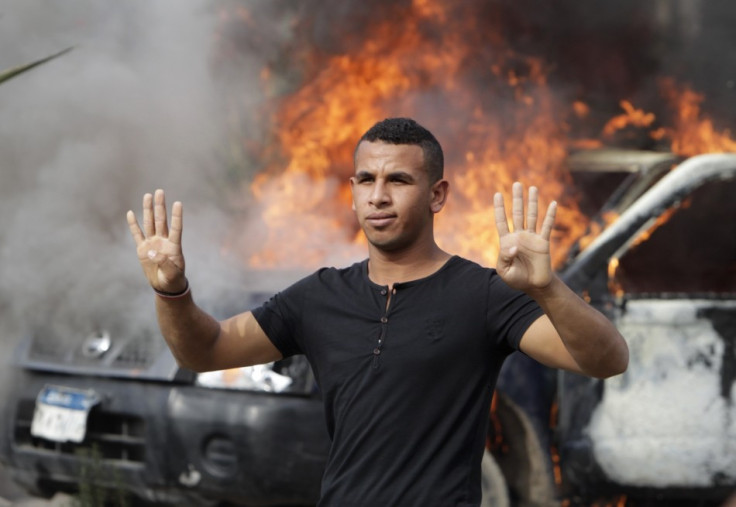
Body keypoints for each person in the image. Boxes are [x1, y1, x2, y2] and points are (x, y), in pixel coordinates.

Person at [127, 117, 628, 506]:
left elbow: (606, 360)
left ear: (437, 195)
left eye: (399, 180)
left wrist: (547, 288)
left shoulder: (484, 294)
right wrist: (173, 292)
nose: (378, 196)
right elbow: (204, 350)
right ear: (353, 191)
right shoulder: (318, 297)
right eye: (366, 179)